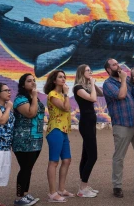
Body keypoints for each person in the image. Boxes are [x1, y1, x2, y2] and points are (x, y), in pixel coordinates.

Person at [103, 58, 134, 198]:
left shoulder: (131, 82)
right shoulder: (108, 84)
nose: (117, 66)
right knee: (119, 157)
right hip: (121, 124)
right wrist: (124, 79)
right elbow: (121, 95)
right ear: (108, 70)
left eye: (118, 63)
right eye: (114, 65)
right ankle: (117, 186)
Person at [12, 73, 45, 206]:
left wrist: (34, 97)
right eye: (29, 81)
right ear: (23, 85)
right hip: (24, 139)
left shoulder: (32, 98)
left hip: (36, 138)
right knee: (25, 168)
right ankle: (20, 197)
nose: (33, 83)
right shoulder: (20, 99)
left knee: (28, 167)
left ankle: (25, 195)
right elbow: (31, 113)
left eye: (34, 80)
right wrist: (35, 96)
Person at [73, 64, 103, 198]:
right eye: (88, 70)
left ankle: (84, 185)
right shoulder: (78, 88)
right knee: (93, 156)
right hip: (85, 123)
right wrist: (91, 82)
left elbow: (101, 94)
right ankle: (82, 189)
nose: (90, 72)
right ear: (81, 72)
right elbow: (93, 98)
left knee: (86, 155)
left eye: (91, 70)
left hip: (90, 122)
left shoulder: (87, 87)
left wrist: (93, 84)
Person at [44, 70, 74, 203]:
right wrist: (67, 94)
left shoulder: (62, 94)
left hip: (64, 130)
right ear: (54, 81)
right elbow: (65, 108)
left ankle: (61, 189)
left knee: (67, 160)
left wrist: (65, 94)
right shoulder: (53, 94)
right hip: (55, 129)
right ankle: (52, 192)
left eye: (64, 77)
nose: (63, 79)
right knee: (54, 162)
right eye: (60, 77)